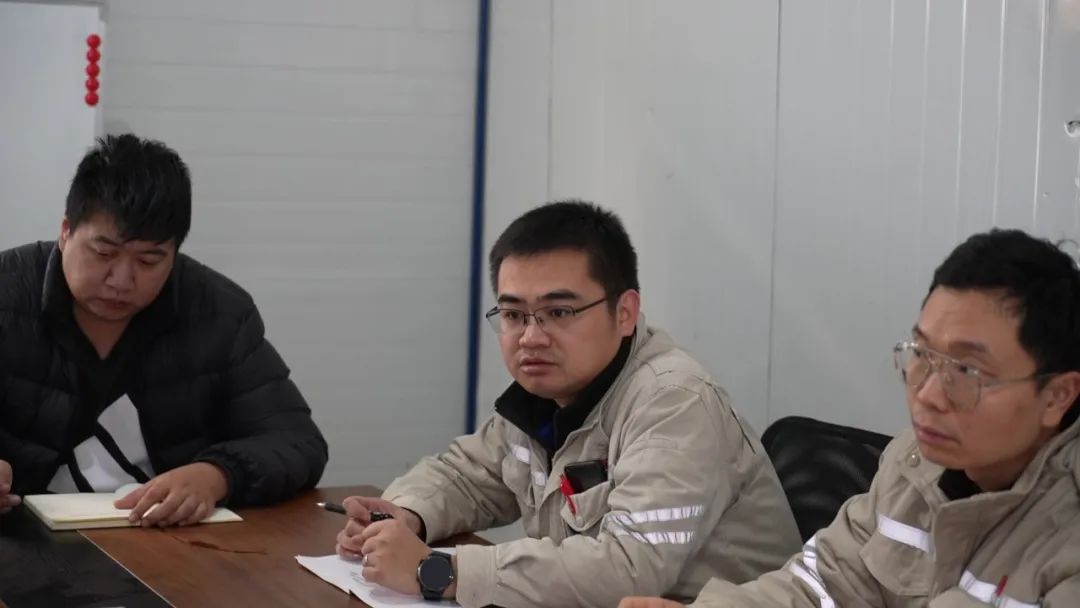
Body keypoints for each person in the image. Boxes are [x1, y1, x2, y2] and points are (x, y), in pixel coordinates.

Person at [334, 201, 800, 607]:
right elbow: (469, 476)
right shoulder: (546, 393)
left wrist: (439, 571)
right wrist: (405, 516)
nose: (531, 337)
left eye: (558, 312)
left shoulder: (675, 403)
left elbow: (630, 566)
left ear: (625, 313)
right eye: (513, 314)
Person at [621, 228, 1080, 608]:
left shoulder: (1066, 544)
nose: (927, 395)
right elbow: (825, 584)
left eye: (967, 371)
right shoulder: (913, 464)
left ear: (1057, 396)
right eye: (922, 354)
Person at [0, 134, 327, 527]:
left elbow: (298, 441)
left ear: (174, 252)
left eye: (149, 261)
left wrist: (217, 475)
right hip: (19, 537)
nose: (121, 280)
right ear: (66, 230)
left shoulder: (219, 313)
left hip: (162, 539)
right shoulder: (7, 293)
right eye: (103, 253)